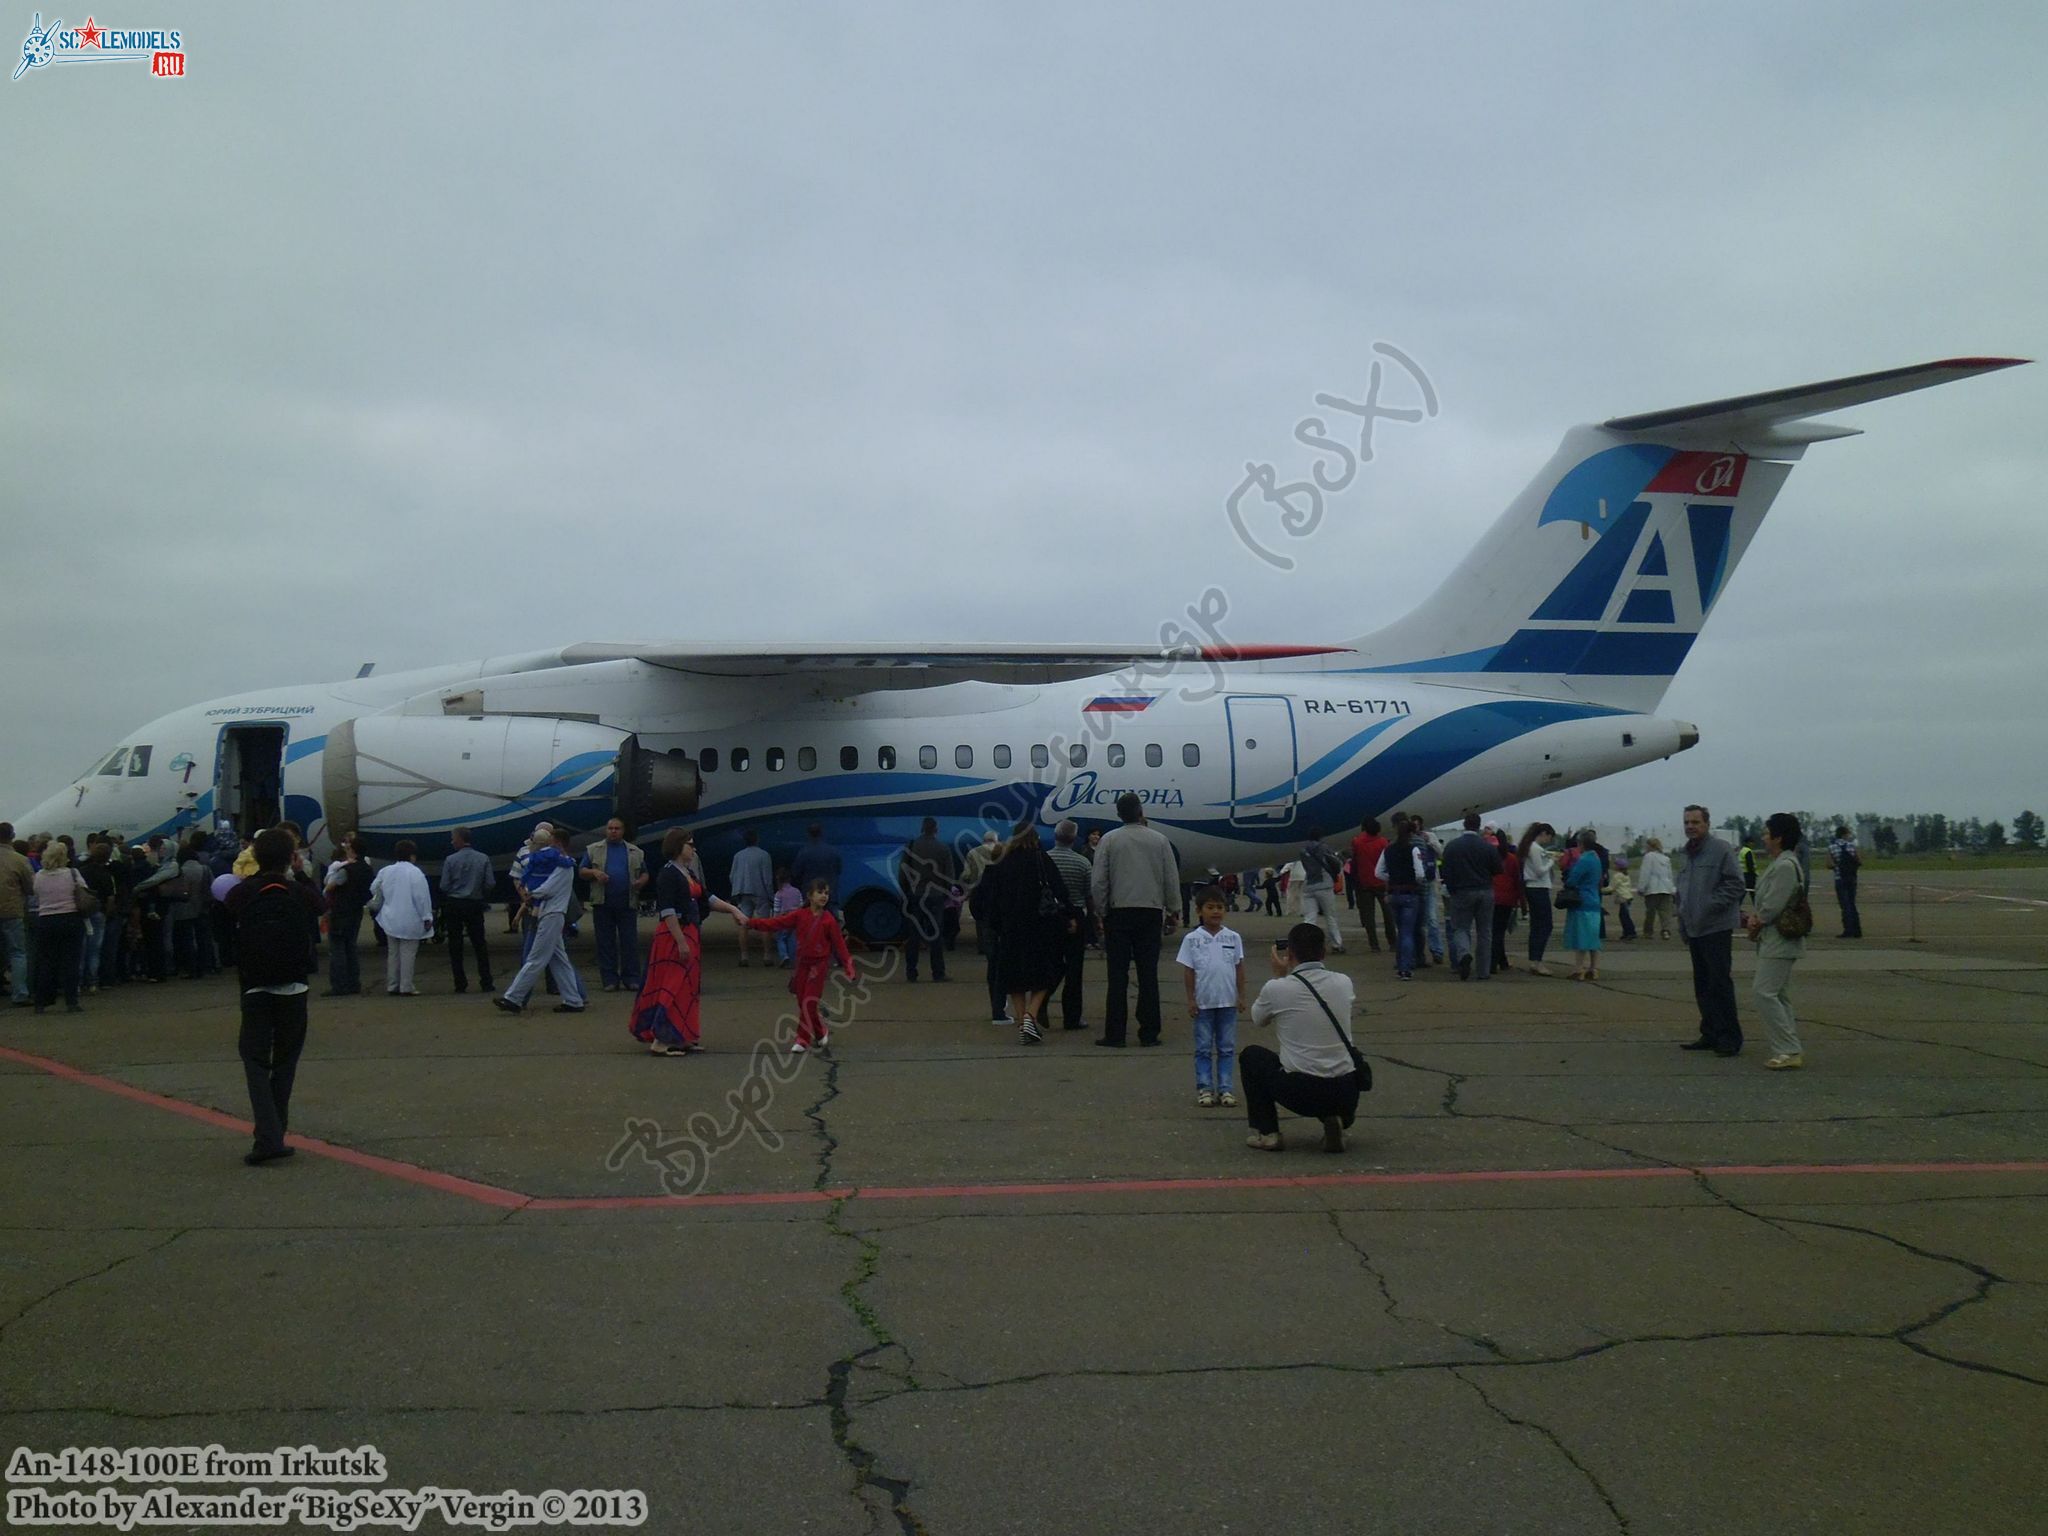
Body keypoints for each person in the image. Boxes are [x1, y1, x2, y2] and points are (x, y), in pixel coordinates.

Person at [224, 828, 327, 1165]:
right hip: (293, 986)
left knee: (254, 1060)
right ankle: (274, 1132)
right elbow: (321, 904)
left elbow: (225, 913)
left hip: (255, 985)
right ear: (290, 858)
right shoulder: (297, 891)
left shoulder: (244, 893)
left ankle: (267, 1135)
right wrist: (298, 871)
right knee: (285, 1061)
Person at [1241, 923, 1364, 1152]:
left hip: (1302, 1091)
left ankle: (1268, 1132)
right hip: (1345, 1090)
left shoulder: (1278, 988)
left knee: (1251, 1057)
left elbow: (1258, 1019)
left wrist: (1278, 977)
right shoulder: (1343, 982)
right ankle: (1336, 1118)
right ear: (1323, 952)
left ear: (1290, 954)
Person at [631, 829, 744, 1055]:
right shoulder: (668, 874)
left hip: (689, 932)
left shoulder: (688, 873)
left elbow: (707, 897)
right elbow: (667, 911)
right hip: (674, 935)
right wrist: (681, 941)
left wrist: (733, 909)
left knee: (687, 988)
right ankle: (661, 1040)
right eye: (690, 844)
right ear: (677, 846)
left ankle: (681, 1036)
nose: (693, 849)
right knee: (672, 986)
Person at [1090, 792, 1180, 1048]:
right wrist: (1173, 909)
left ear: (1119, 815)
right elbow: (1170, 878)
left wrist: (1101, 910)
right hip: (1150, 912)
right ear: (1141, 812)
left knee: (1117, 976)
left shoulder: (1109, 840)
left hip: (1119, 912)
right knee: (1148, 974)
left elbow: (1099, 881)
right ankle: (1149, 1032)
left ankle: (1115, 1033)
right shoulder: (1160, 840)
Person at [987, 823, 1077, 1044]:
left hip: (1010, 928)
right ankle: (1031, 1015)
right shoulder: (1040, 860)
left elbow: (991, 898)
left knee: (1014, 978)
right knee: (1046, 973)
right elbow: (1059, 890)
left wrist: (996, 926)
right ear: (1035, 839)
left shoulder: (1003, 862)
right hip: (1039, 926)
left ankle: (1022, 1023)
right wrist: (1069, 917)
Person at [747, 876, 856, 1053]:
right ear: (810, 895)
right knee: (802, 1001)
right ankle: (820, 1032)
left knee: (808, 1002)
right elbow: (777, 923)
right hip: (802, 965)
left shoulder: (829, 920)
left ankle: (802, 1038)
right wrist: (752, 923)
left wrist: (849, 966)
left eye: (826, 893)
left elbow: (840, 945)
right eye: (820, 892)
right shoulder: (800, 915)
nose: (824, 896)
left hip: (818, 966)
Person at [1675, 804, 1748, 1057]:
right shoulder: (1686, 853)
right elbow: (1682, 890)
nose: (1690, 827)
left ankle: (1729, 1036)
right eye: (1686, 822)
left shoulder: (1720, 850)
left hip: (1715, 927)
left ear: (1706, 824)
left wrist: (1709, 906)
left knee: (1719, 983)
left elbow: (1736, 884)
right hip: (1694, 928)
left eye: (1695, 822)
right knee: (1703, 984)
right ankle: (1710, 1032)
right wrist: (1683, 920)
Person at [496, 825, 588, 1014]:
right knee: (558, 960)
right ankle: (574, 999)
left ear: (558, 843)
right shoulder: (563, 864)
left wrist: (530, 894)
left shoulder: (564, 866)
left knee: (536, 958)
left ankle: (513, 997)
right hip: (551, 914)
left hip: (551, 914)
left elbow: (547, 889)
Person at [1747, 812, 1809, 1069]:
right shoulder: (1782, 863)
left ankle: (1788, 1049)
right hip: (1773, 939)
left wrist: (1756, 920)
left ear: (1778, 837)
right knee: (1779, 995)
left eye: (1766, 833)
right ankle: (1788, 1046)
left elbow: (1773, 906)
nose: (1763, 837)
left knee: (1763, 992)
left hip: (1779, 940)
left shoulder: (1785, 866)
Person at [1177, 887, 1245, 1107]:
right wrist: (1191, 999)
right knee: (1204, 1048)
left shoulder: (1233, 937)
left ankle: (1226, 1088)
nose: (1215, 912)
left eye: (1219, 907)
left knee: (1226, 1048)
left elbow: (1239, 967)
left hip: (1227, 1002)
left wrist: (1240, 996)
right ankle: (1205, 1088)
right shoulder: (1192, 939)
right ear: (1199, 911)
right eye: (1210, 907)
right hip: (1204, 1003)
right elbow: (1189, 970)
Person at [583, 817, 649, 991]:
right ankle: (609, 980)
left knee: (629, 942)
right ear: (606, 830)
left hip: (627, 903)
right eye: (610, 828)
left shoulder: (635, 851)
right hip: (602, 903)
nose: (613, 831)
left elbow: (644, 873)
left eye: (617, 828)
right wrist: (595, 872)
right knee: (605, 943)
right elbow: (582, 871)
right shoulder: (593, 850)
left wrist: (641, 882)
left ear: (623, 831)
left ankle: (632, 978)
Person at [1440, 812, 1503, 981]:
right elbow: (1498, 869)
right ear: (1479, 826)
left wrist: (1452, 888)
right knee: (1485, 931)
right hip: (1485, 891)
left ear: (1464, 825)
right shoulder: (1487, 847)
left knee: (1460, 928)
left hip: (1462, 891)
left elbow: (1445, 871)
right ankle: (1483, 971)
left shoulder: (1452, 846)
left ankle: (1464, 954)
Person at [1045, 819, 1094, 1029]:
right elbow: (1090, 894)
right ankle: (1072, 1017)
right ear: (1074, 839)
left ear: (1055, 837)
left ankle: (1041, 1000)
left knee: (1051, 963)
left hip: (1051, 917)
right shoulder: (1082, 863)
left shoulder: (1044, 859)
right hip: (1076, 914)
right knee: (1075, 969)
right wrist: (1095, 919)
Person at [29, 839, 88, 1014]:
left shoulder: (39, 875)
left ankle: (41, 1001)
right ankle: (71, 1001)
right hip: (70, 918)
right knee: (71, 961)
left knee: (47, 962)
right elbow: (83, 890)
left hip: (46, 919)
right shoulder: (72, 873)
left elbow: (36, 894)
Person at [368, 841, 434, 995]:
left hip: (390, 918)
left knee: (393, 953)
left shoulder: (386, 871)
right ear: (412, 856)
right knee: (408, 954)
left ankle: (392, 985)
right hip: (410, 919)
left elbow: (373, 888)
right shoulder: (415, 873)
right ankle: (406, 986)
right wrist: (427, 916)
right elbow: (421, 897)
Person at [437, 826, 495, 994]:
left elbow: (444, 885)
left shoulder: (450, 860)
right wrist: (480, 892)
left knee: (455, 945)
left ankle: (460, 983)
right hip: (474, 903)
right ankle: (486, 981)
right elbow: (490, 883)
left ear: (460, 839)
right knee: (480, 944)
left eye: (453, 838)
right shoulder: (483, 858)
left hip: (455, 904)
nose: (452, 841)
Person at [898, 817, 956, 983]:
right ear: (936, 829)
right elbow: (949, 876)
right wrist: (945, 893)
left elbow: (903, 872)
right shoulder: (943, 848)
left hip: (916, 895)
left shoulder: (911, 846)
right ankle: (938, 973)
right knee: (936, 935)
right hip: (936, 897)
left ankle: (911, 972)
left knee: (914, 935)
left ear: (922, 828)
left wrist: (906, 891)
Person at [320, 833, 374, 996]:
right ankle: (353, 983)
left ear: (353, 850)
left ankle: (339, 985)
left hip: (341, 911)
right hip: (356, 910)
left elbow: (329, 887)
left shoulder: (346, 870)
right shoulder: (367, 869)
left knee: (337, 949)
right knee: (351, 947)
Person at [1375, 816, 1427, 980]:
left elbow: (1378, 872)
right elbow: (1420, 873)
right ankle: (1405, 968)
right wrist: (1414, 880)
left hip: (1393, 893)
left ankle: (1400, 963)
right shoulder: (1413, 849)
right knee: (1407, 932)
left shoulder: (1388, 849)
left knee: (1400, 930)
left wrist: (1390, 878)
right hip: (1409, 894)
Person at [1296, 828, 1348, 954]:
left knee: (1310, 917)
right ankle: (1337, 944)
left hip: (1309, 885)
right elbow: (1336, 862)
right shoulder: (1324, 848)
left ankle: (1306, 945)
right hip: (1324, 885)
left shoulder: (1303, 850)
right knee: (1330, 916)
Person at [1561, 830, 1605, 981]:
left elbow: (1572, 880)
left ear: (1581, 844)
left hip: (1582, 901)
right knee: (1594, 937)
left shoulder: (1584, 860)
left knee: (1581, 936)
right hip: (1594, 900)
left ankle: (1579, 968)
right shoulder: (1596, 858)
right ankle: (1594, 968)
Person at [729, 829, 776, 967]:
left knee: (744, 924)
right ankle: (767, 956)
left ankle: (744, 957)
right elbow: (767, 879)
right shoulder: (764, 855)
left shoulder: (738, 856)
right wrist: (771, 896)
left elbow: (732, 875)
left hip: (743, 892)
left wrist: (736, 890)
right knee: (765, 924)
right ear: (757, 839)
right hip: (760, 891)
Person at [1349, 818, 1395, 953]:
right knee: (1388, 915)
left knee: (1369, 917)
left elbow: (1354, 862)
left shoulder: (1357, 842)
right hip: (1382, 882)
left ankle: (1374, 945)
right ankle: (1392, 942)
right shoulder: (1383, 842)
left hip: (1364, 883)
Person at [1518, 823, 1556, 976]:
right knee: (1545, 925)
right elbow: (1540, 870)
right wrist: (1552, 860)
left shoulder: (1532, 847)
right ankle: (1537, 960)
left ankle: (1535, 959)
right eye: (1549, 837)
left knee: (1537, 926)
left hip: (1534, 888)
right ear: (1544, 833)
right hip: (1537, 888)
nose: (1548, 840)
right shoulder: (1535, 848)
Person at [1488, 828, 1521, 975]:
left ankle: (1498, 961)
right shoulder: (1512, 859)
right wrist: (1520, 901)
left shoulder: (1490, 857)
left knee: (1492, 931)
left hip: (1491, 896)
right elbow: (1517, 881)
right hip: (1507, 898)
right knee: (1499, 932)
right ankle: (1497, 962)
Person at [789, 823, 843, 907]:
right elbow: (839, 870)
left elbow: (796, 873)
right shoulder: (833, 851)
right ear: (821, 833)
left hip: (811, 896)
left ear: (808, 834)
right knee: (830, 918)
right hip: (829, 895)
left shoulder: (804, 852)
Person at [1826, 824, 1864, 939]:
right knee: (1852, 903)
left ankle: (1848, 929)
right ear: (1844, 834)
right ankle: (1857, 930)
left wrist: (1837, 866)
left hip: (1840, 878)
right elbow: (1859, 861)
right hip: (1852, 878)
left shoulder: (1832, 847)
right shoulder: (1851, 846)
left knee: (1844, 905)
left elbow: (1829, 864)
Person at [1637, 837, 1676, 939]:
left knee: (1650, 911)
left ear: (1649, 846)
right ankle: (1665, 931)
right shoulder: (1666, 858)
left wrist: (1641, 888)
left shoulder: (1648, 857)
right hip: (1666, 888)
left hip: (1652, 889)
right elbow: (1669, 875)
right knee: (1665, 912)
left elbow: (1645, 873)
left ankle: (1648, 932)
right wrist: (1672, 889)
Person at [770, 867, 802, 966]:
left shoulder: (779, 894)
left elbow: (776, 910)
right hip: (796, 919)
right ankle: (793, 959)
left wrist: (774, 922)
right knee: (793, 939)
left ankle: (784, 956)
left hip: (783, 919)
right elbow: (801, 905)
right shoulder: (797, 891)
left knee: (780, 938)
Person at [1609, 854, 1638, 941]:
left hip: (1622, 897)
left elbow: (1612, 887)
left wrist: (1601, 890)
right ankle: (1627, 932)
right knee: (1624, 915)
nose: (1613, 865)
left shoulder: (1617, 876)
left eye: (1615, 864)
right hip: (1628, 897)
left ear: (1618, 867)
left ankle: (1630, 932)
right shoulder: (1626, 875)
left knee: (1624, 916)